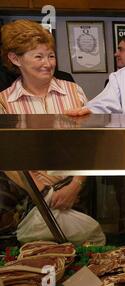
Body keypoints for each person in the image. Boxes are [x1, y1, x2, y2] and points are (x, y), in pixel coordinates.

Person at [0, 19, 87, 212]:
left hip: (75, 191)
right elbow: (7, 158)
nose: (47, 64)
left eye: (51, 56)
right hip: (27, 196)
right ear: (15, 59)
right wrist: (42, 191)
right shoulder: (4, 102)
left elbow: (88, 145)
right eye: (38, 57)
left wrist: (76, 185)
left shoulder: (74, 91)